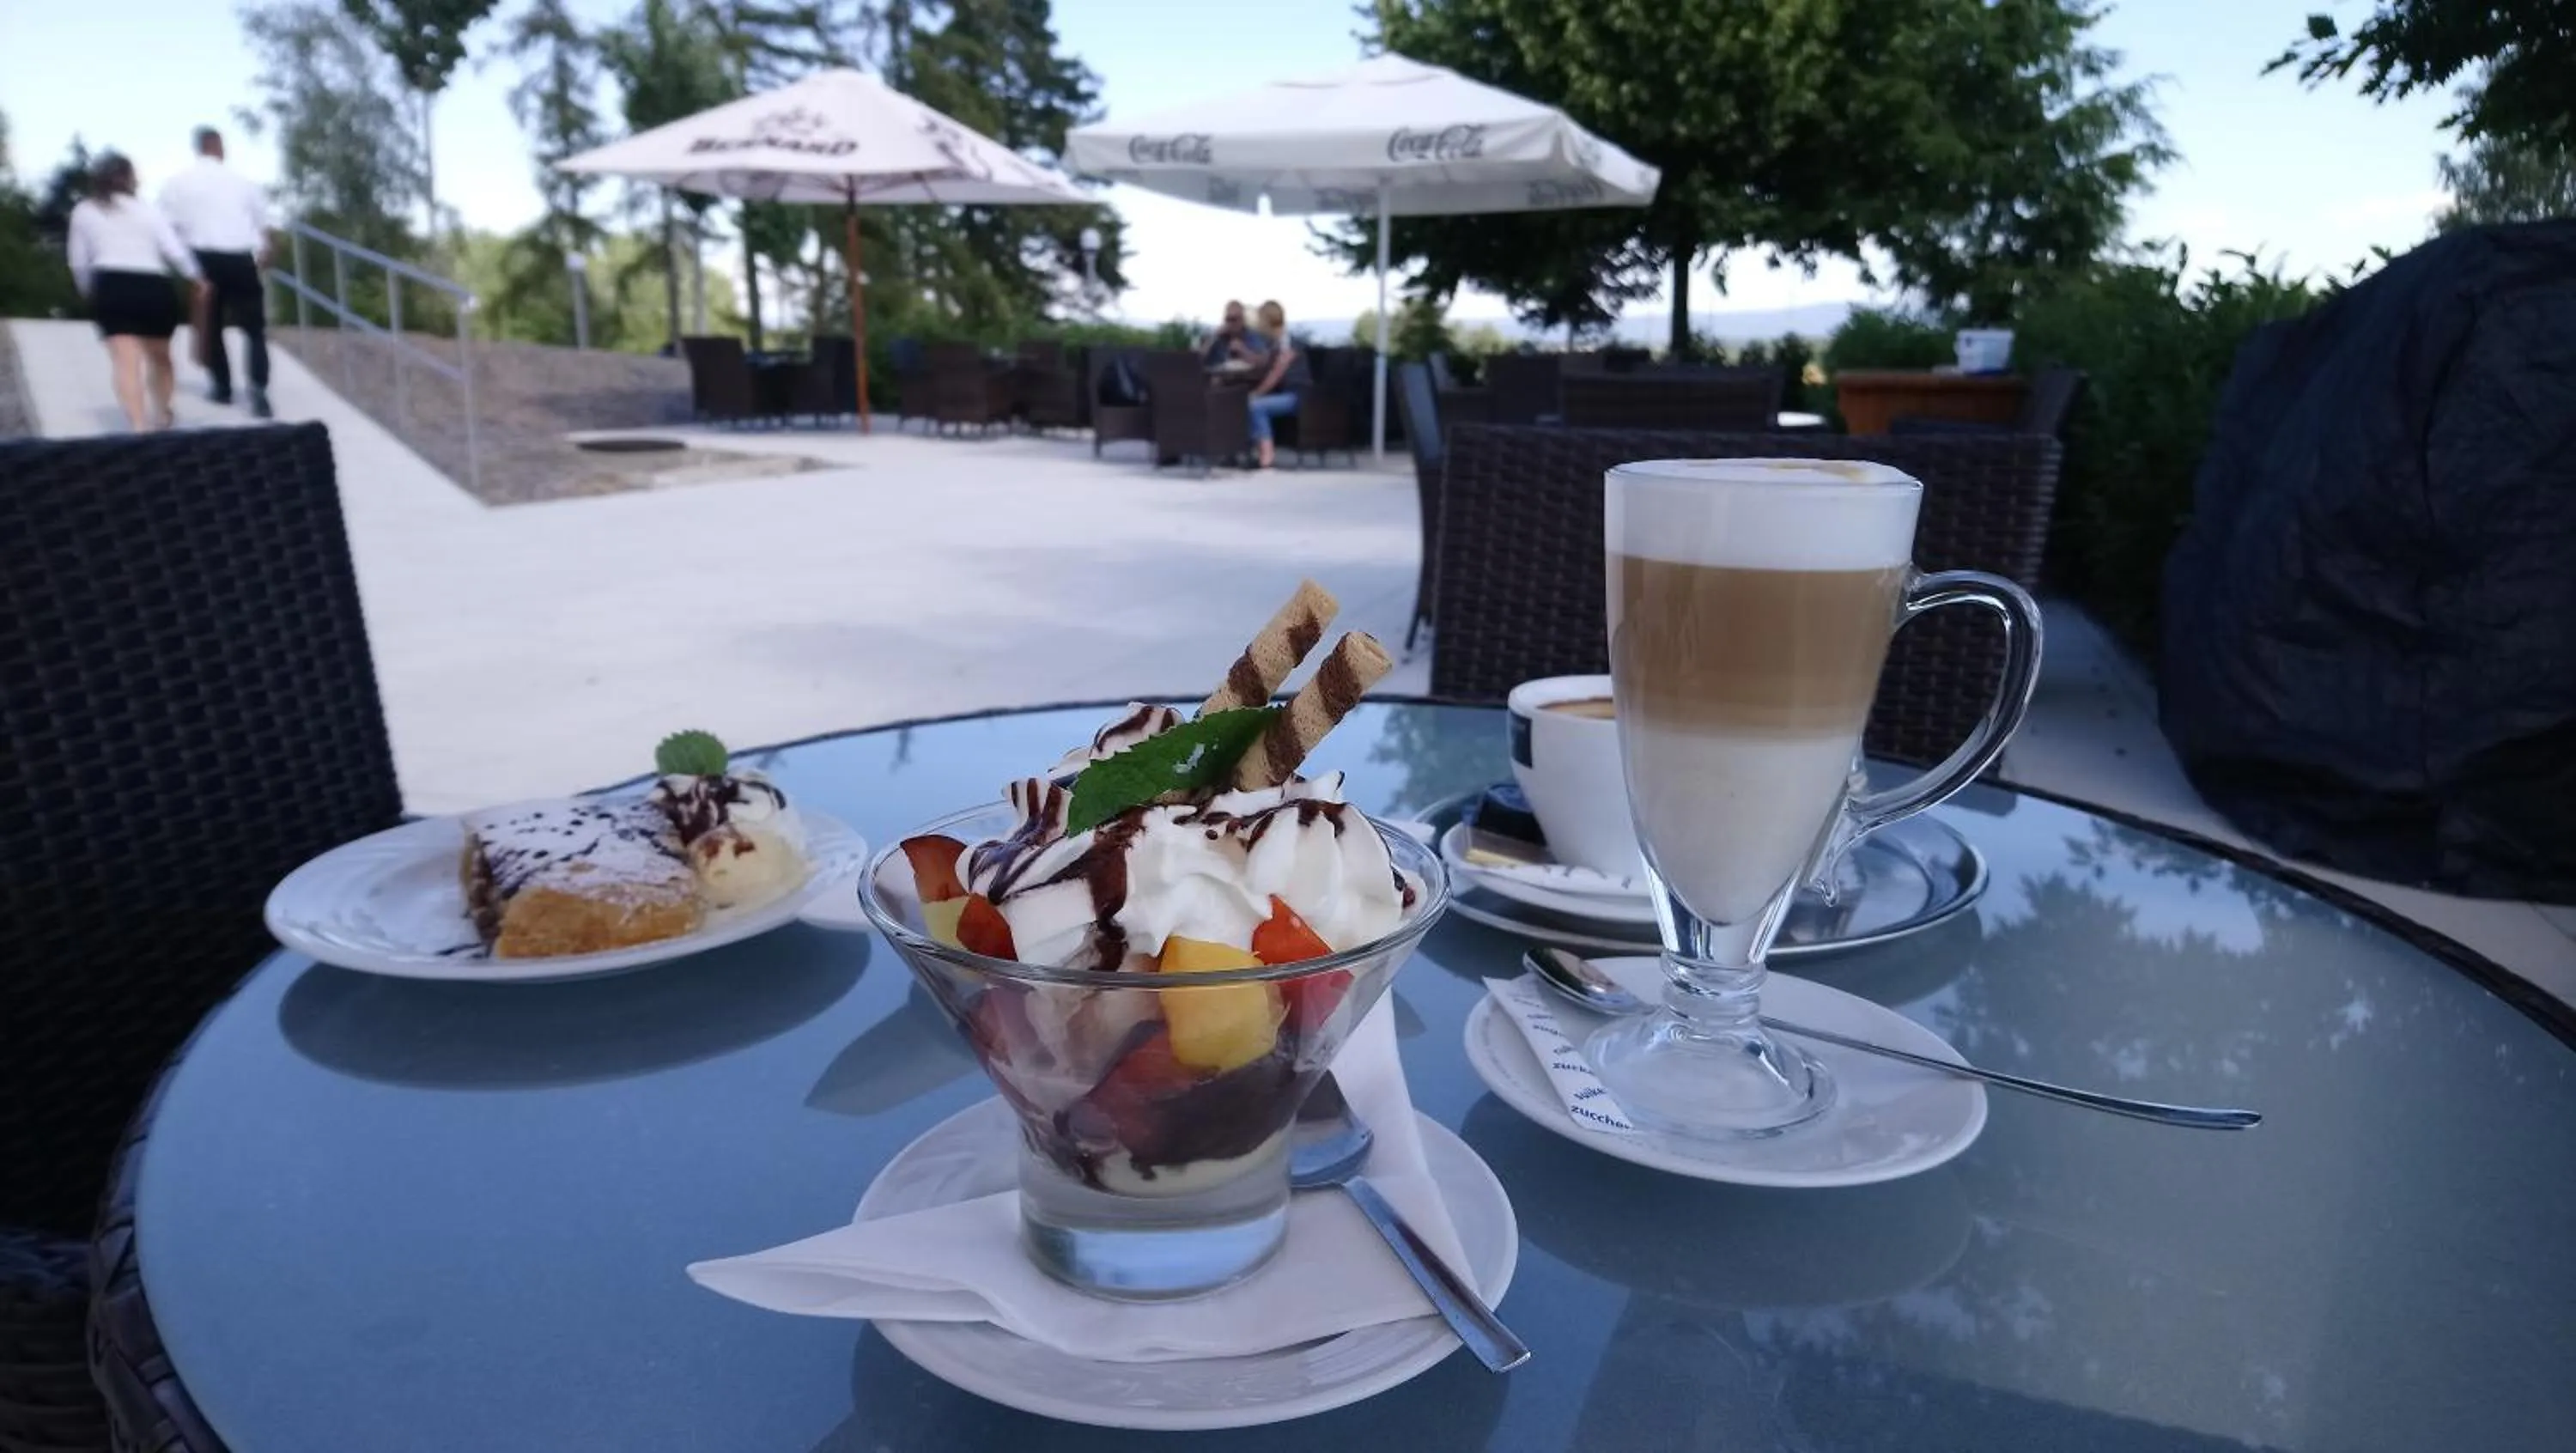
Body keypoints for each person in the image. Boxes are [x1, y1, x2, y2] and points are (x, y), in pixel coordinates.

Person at [66, 154, 205, 432]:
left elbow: (78, 260)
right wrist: (197, 277)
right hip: (153, 285)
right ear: (131, 179)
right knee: (161, 358)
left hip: (112, 284)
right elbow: (174, 250)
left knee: (125, 361)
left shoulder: (84, 210)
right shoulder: (148, 210)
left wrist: (87, 290)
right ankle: (164, 414)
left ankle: (139, 427)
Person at [160, 125, 273, 417]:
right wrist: (264, 252)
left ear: (198, 148)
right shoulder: (243, 182)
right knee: (254, 329)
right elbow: (263, 224)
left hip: (203, 257)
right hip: (240, 257)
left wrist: (183, 263)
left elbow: (166, 226)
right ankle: (258, 390)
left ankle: (222, 387)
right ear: (220, 147)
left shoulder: (178, 182)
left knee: (212, 324)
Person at [1245, 299, 1308, 470]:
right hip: (1287, 393)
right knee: (1248, 403)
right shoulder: (1276, 343)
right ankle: (1256, 452)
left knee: (1255, 406)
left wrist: (1256, 393)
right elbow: (1265, 364)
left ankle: (1267, 455)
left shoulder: (1288, 345)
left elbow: (1275, 375)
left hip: (1298, 396)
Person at [1199, 299, 1269, 368]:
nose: (1231, 324)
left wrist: (1243, 351)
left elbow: (1263, 361)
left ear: (1242, 320)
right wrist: (1212, 339)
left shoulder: (1251, 335)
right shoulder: (1217, 337)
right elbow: (1199, 359)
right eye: (1228, 319)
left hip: (1243, 377)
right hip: (1218, 377)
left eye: (1234, 320)